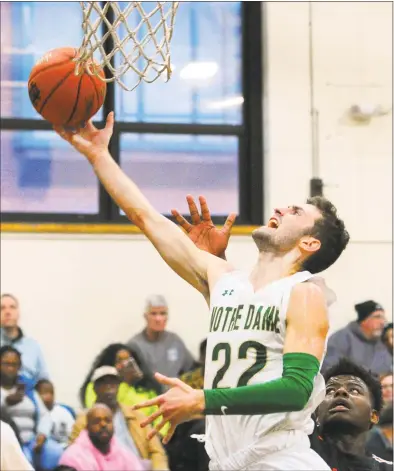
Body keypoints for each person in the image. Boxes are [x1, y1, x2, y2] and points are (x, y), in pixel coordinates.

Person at [55, 113, 350, 470]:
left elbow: (296, 389)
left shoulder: (304, 293)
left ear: (309, 241)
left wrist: (202, 401)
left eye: (295, 211)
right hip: (228, 462)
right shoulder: (223, 277)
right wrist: (99, 157)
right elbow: (148, 219)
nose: (280, 208)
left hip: (279, 458)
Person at [71, 366, 169, 471]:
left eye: (113, 382)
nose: (109, 387)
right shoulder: (83, 420)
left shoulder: (136, 416)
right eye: (103, 383)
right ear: (95, 388)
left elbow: (156, 451)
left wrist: (159, 468)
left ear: (118, 386)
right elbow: (74, 456)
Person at [311, 358, 392, 470]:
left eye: (354, 390)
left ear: (373, 416)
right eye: (330, 391)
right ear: (317, 412)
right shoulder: (303, 446)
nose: (340, 391)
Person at [0, 345, 63, 470]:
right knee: (23, 458)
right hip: (9, 440)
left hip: (33, 440)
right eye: (6, 364)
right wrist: (5, 403)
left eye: (15, 364)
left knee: (56, 453)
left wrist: (42, 434)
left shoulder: (27, 388)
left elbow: (45, 415)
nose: (11, 368)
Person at [127, 294, 195, 378]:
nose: (158, 319)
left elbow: (191, 369)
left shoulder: (175, 341)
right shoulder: (135, 345)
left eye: (163, 313)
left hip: (174, 390)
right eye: (153, 313)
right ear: (145, 316)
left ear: (167, 317)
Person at [59, 403, 144, 471]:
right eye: (96, 421)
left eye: (107, 420)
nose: (103, 424)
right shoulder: (73, 457)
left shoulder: (124, 453)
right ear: (87, 427)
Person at [322, 300, 392, 375]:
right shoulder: (341, 338)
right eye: (377, 317)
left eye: (383, 317)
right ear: (363, 320)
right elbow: (329, 369)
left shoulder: (383, 341)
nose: (383, 322)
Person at [1, 293, 49, 385]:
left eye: (12, 307)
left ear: (18, 312)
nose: (7, 312)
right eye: (2, 308)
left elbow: (44, 381)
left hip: (27, 395)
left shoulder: (33, 346)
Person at [36, 379, 76, 447]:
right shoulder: (33, 414)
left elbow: (72, 437)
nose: (49, 396)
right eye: (44, 393)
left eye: (51, 393)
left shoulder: (63, 413)